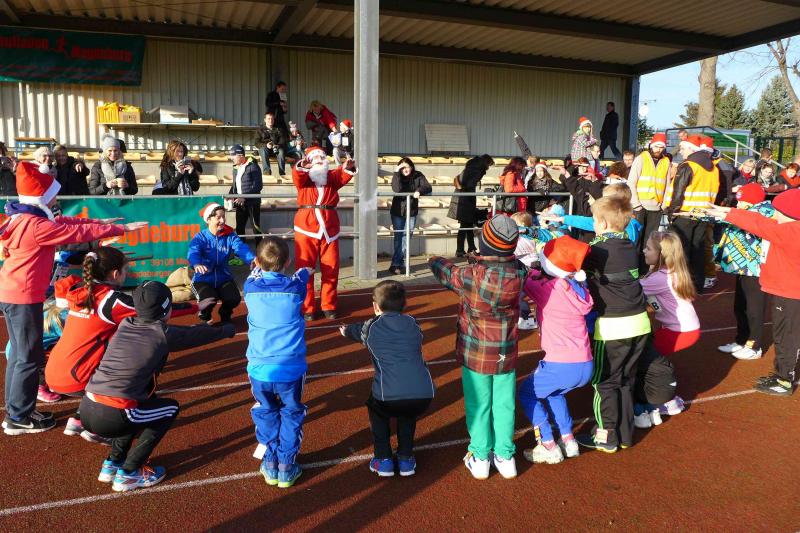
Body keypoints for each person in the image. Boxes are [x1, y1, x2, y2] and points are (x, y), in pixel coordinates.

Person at [0, 162, 144, 435]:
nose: (56, 199)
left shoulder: (25, 217)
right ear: (41, 197)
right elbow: (74, 233)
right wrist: (120, 230)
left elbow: (67, 223)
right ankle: (18, 416)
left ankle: (18, 411)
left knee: (21, 355)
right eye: (53, 195)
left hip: (12, 292)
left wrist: (101, 223)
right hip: (22, 296)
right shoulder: (35, 225)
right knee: (27, 358)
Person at [81, 281, 235, 492]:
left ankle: (113, 463)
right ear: (166, 308)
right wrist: (227, 329)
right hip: (114, 413)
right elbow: (195, 335)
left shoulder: (126, 324)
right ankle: (129, 473)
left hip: (87, 406)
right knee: (169, 409)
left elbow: (178, 330)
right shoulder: (161, 334)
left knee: (142, 406)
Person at [429, 215, 526, 480]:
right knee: (504, 405)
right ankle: (505, 455)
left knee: (478, 404)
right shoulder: (520, 272)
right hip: (505, 351)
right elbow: (506, 264)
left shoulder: (470, 276)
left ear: (485, 244)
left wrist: (433, 258)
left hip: (476, 352)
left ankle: (481, 456)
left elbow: (445, 271)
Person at [703, 189, 800, 396]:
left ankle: (784, 380)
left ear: (789, 214)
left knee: (787, 337)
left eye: (778, 211)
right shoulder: (789, 228)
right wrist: (725, 211)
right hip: (787, 291)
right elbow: (759, 220)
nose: (774, 214)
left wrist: (727, 213)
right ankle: (782, 374)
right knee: (784, 335)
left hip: (790, 294)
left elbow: (758, 224)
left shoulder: (789, 232)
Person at [576, 197, 650, 453]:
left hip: (612, 327)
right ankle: (625, 434)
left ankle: (605, 435)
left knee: (604, 382)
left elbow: (573, 260)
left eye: (594, 221)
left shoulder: (597, 249)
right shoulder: (629, 244)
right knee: (626, 380)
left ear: (604, 223)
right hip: (640, 322)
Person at [340, 280, 435, 477]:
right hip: (423, 394)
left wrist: (345, 331)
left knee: (376, 409)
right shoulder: (413, 323)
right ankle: (406, 458)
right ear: (404, 304)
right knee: (407, 413)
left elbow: (356, 331)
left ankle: (383, 459)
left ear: (375, 306)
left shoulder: (371, 327)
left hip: (388, 395)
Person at [44, 248, 136, 441]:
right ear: (115, 274)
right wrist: (194, 307)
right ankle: (98, 428)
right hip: (75, 378)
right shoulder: (110, 300)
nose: (127, 274)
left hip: (51, 372)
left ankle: (79, 418)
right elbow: (152, 310)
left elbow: (63, 285)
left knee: (100, 346)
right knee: (133, 356)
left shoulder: (76, 292)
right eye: (125, 270)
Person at [519, 235, 594, 464]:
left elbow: (525, 280)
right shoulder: (580, 288)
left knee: (527, 392)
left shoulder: (549, 289)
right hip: (585, 361)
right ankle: (568, 439)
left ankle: (548, 444)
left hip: (561, 363)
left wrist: (527, 266)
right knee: (554, 392)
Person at [244, 237, 311, 489]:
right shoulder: (295, 288)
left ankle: (270, 462)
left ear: (257, 262)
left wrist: (258, 266)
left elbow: (254, 274)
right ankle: (285, 466)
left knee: (265, 412)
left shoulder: (250, 287)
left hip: (259, 369)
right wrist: (305, 271)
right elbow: (301, 278)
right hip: (291, 368)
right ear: (288, 261)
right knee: (291, 413)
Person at [635, 231, 699, 426]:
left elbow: (631, 290)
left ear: (661, 254)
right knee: (651, 357)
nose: (643, 251)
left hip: (679, 331)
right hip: (685, 329)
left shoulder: (659, 278)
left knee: (643, 359)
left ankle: (665, 402)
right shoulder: (672, 271)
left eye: (648, 248)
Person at [292, 145, 357, 321]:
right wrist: (302, 166)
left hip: (329, 228)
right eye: (315, 158)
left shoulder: (331, 177)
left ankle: (329, 305)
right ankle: (307, 307)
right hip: (306, 226)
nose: (320, 160)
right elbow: (297, 175)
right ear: (309, 161)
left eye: (322, 157)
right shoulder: (304, 177)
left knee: (331, 268)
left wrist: (348, 166)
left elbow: (342, 175)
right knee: (305, 270)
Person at [714, 184, 774, 360]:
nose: (738, 204)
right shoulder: (744, 212)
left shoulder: (764, 211)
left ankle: (754, 346)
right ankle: (741, 340)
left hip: (756, 270)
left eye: (742, 201)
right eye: (738, 201)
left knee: (754, 309)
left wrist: (724, 213)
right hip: (741, 267)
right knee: (740, 306)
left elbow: (747, 220)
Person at [663, 134, 720, 293]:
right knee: (698, 251)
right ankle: (697, 286)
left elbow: (678, 192)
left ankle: (681, 287)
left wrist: (671, 213)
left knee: (681, 252)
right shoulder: (713, 168)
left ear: (691, 148)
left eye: (682, 148)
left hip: (684, 214)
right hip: (703, 214)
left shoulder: (688, 165)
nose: (680, 151)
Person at [188, 203, 256, 324]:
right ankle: (205, 316)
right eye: (218, 217)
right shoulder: (200, 237)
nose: (222, 220)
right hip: (203, 279)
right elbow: (193, 252)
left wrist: (252, 259)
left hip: (223, 277)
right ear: (208, 220)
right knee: (209, 298)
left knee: (234, 298)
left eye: (223, 217)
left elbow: (241, 248)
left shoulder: (230, 236)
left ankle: (225, 314)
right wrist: (197, 264)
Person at [540, 183, 642, 243]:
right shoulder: (610, 218)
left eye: (606, 199)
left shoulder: (629, 227)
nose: (603, 202)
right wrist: (561, 218)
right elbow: (587, 222)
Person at [627, 133, 671, 264]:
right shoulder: (641, 159)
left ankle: (645, 267)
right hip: (640, 206)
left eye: (661, 147)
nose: (658, 149)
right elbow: (631, 182)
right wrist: (636, 204)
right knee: (636, 238)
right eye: (656, 146)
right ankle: (633, 266)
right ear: (651, 146)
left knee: (650, 241)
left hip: (656, 208)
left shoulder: (666, 162)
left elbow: (668, 186)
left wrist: (664, 205)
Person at [389, 158, 432, 275]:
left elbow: (428, 187)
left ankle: (397, 263)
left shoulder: (418, 175)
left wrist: (419, 190)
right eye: (402, 167)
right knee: (399, 237)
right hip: (398, 211)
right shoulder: (397, 176)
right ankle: (397, 264)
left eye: (407, 167)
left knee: (407, 237)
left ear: (412, 167)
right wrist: (396, 172)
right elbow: (396, 189)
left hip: (411, 211)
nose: (405, 170)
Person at [551, 157, 604, 242]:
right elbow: (565, 182)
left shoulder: (592, 178)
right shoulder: (576, 177)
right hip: (576, 208)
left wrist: (593, 180)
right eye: (580, 166)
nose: (582, 168)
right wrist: (571, 168)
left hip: (586, 212)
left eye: (584, 166)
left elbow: (582, 196)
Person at [450, 154, 494, 257]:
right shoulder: (478, 170)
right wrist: (471, 200)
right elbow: (469, 185)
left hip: (462, 197)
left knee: (468, 225)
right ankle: (461, 250)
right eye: (489, 165)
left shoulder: (472, 166)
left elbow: (462, 181)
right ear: (486, 163)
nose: (488, 168)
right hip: (465, 199)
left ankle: (471, 248)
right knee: (465, 226)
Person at [227, 144, 264, 247]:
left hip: (252, 203)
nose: (231, 158)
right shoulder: (235, 168)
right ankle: (241, 252)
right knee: (239, 228)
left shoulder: (253, 166)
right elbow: (234, 185)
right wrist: (229, 196)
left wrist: (244, 196)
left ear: (240, 155)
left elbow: (258, 186)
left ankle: (260, 252)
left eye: (233, 156)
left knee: (256, 228)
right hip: (240, 203)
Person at [511, 211, 538, 331]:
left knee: (518, 296)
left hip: (526, 272)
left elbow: (512, 252)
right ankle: (532, 319)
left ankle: (527, 318)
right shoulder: (533, 236)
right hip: (534, 271)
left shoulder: (521, 240)